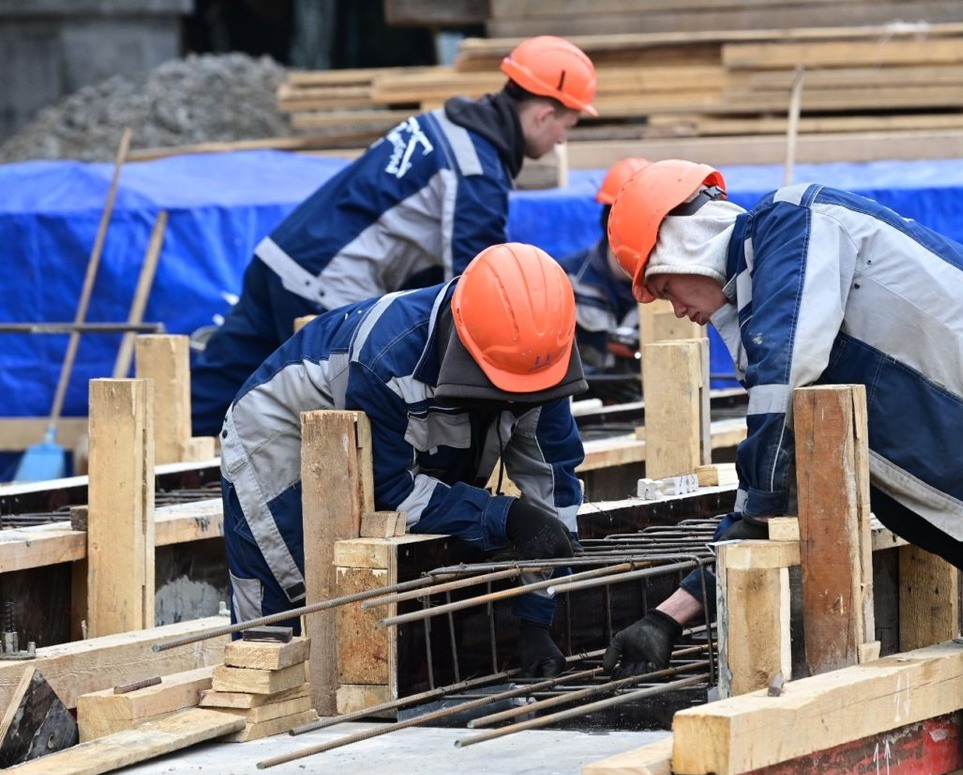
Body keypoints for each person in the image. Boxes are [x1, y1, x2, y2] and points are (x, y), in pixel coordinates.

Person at [600, 160, 963, 775]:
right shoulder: (784, 299)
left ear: (682, 243)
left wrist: (751, 504)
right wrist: (670, 616)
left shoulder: (794, 228)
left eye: (659, 284)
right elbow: (779, 495)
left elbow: (774, 432)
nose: (671, 307)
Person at [191, 35, 599, 436]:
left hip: (280, 259)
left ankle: (148, 469)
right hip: (322, 289)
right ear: (544, 113)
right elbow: (480, 290)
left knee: (207, 399)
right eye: (568, 123)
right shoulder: (477, 171)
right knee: (347, 433)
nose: (563, 138)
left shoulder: (443, 124)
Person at [221, 242, 588, 678]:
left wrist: (537, 621)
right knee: (290, 595)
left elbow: (554, 499)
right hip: (278, 441)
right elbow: (389, 492)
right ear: (463, 346)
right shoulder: (386, 360)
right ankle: (262, 698)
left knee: (431, 552)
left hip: (376, 444)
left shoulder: (537, 361)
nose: (515, 399)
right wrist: (505, 516)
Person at [559, 156, 651, 402]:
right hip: (582, 414)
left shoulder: (673, 289)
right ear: (611, 227)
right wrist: (591, 383)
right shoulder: (565, 282)